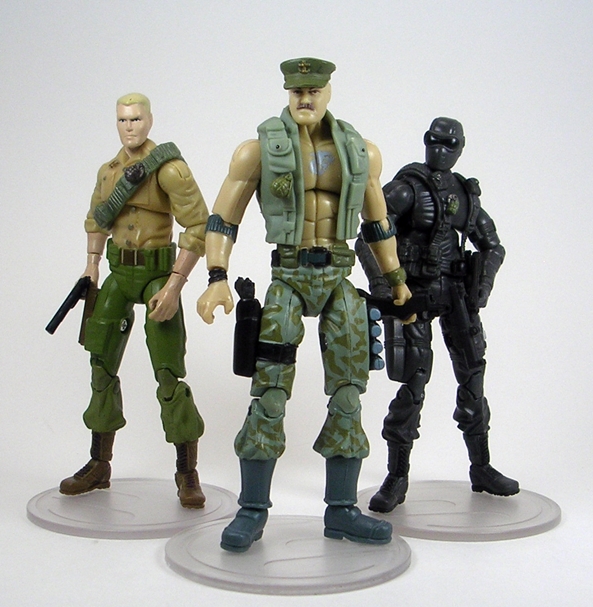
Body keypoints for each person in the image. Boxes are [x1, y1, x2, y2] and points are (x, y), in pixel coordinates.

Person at [197, 58, 411, 551]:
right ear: (287, 92)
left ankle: (342, 511)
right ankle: (252, 511)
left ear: (328, 92)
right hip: (288, 278)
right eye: (297, 91)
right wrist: (217, 277)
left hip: (339, 278)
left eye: (314, 90)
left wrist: (395, 278)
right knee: (269, 393)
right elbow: (223, 217)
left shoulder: (360, 151)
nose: (306, 99)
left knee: (349, 395)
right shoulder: (256, 151)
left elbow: (378, 222)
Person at [356, 117, 519, 513]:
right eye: (434, 141)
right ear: (425, 141)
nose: (440, 150)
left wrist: (482, 284)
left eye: (449, 144)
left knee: (473, 377)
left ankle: (481, 467)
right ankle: (397, 477)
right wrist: (386, 287)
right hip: (414, 293)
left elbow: (493, 245)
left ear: (460, 148)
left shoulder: (465, 194)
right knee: (413, 382)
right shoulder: (406, 189)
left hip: (457, 295)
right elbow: (369, 237)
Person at [59, 93, 209, 509]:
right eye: (123, 120)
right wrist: (91, 266)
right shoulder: (109, 172)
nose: (130, 127)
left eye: (136, 119)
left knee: (168, 374)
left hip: (158, 275)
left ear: (150, 120)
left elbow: (198, 226)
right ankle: (99, 464)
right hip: (118, 275)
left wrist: (176, 284)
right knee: (100, 364)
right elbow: (96, 220)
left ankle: (187, 472)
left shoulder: (169, 169)